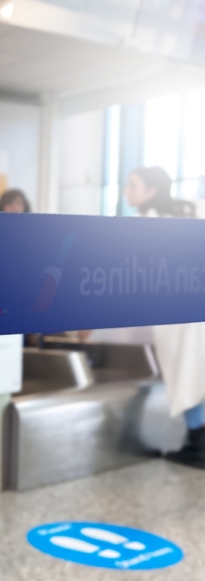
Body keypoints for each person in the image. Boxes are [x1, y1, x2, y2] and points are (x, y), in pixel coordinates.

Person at [125, 166, 204, 467]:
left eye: (133, 186)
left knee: (186, 374)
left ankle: (197, 444)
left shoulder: (142, 222)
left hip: (179, 315)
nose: (127, 191)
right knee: (197, 374)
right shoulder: (189, 210)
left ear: (151, 191)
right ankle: (197, 440)